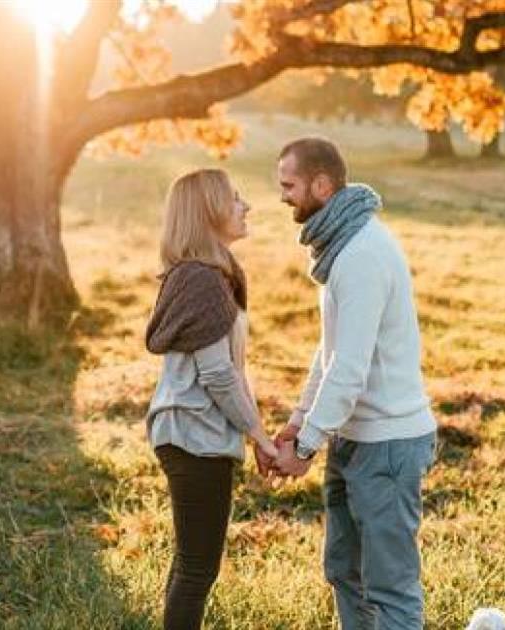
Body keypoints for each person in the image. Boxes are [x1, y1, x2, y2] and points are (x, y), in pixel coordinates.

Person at [268, 137, 438, 630]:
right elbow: (331, 352)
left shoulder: (361, 253)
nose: (282, 196)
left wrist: (304, 445)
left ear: (322, 185)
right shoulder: (342, 247)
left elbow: (351, 369)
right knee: (345, 573)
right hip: (353, 439)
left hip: (386, 445)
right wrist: (301, 421)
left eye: (289, 185)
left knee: (389, 590)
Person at [144, 168, 280, 630]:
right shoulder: (202, 280)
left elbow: (233, 371)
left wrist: (255, 429)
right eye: (236, 199)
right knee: (198, 568)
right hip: (193, 435)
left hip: (193, 432)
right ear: (209, 212)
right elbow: (219, 375)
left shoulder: (211, 276)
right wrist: (259, 436)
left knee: (191, 564)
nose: (247, 207)